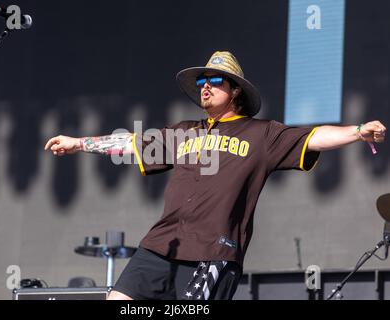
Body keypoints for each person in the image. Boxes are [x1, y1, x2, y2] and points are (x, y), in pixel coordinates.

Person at [44, 51, 386, 300]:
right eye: (202, 82)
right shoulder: (184, 132)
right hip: (163, 243)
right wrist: (78, 143)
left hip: (212, 253)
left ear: (234, 90)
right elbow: (130, 144)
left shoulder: (261, 134)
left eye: (214, 81)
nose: (205, 87)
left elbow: (314, 137)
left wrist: (357, 131)